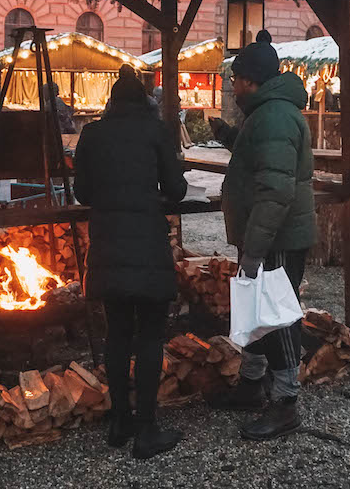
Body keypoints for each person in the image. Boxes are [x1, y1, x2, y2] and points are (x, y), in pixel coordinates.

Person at [73, 73, 187, 459]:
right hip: (148, 246)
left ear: (110, 101)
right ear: (145, 101)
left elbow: (82, 192)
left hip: (107, 245)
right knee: (151, 336)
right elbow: (177, 189)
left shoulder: (92, 134)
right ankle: (147, 428)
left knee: (118, 335)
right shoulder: (155, 131)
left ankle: (120, 420)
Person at [210, 30, 316, 441]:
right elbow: (262, 155)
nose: (232, 86)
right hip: (267, 234)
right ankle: (253, 385)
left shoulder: (273, 115)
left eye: (235, 78)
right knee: (258, 310)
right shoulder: (267, 112)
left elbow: (275, 189)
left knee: (276, 317)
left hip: (277, 237)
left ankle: (285, 403)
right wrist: (227, 136)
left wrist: (255, 248)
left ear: (250, 79)